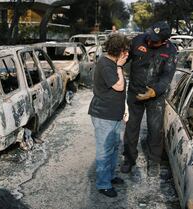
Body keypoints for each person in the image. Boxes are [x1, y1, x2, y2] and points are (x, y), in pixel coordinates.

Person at [121, 21, 177, 177]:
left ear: (165, 40)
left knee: (155, 130)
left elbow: (167, 77)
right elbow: (124, 59)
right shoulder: (138, 40)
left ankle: (153, 162)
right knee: (131, 128)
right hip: (134, 94)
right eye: (150, 36)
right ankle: (129, 160)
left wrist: (153, 92)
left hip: (155, 98)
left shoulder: (171, 51)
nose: (150, 40)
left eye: (155, 40)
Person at [88, 34, 130, 197]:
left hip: (114, 114)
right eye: (125, 50)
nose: (127, 53)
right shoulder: (107, 65)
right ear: (119, 50)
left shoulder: (111, 62)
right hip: (104, 115)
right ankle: (103, 184)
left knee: (113, 147)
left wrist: (124, 108)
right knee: (104, 150)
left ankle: (110, 176)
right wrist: (120, 67)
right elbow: (119, 87)